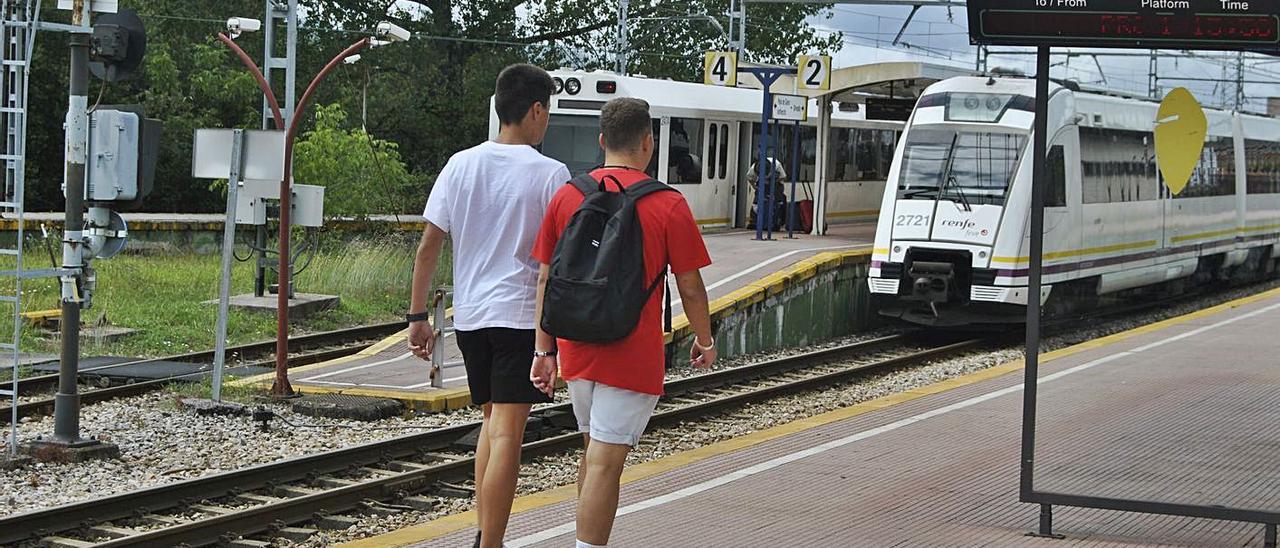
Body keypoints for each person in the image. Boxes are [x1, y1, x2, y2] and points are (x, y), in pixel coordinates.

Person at [529, 97, 718, 548]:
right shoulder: (668, 203)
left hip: (576, 345)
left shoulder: (569, 195)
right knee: (604, 463)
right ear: (648, 143)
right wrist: (705, 339)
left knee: (594, 454)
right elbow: (690, 287)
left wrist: (544, 350)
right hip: (631, 353)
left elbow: (545, 279)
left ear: (601, 141)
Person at [406, 63, 569, 548]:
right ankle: (491, 543)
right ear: (535, 110)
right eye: (548, 112)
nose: (547, 121)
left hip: (472, 318)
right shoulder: (550, 173)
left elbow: (429, 245)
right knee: (508, 437)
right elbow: (558, 259)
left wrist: (417, 317)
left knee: (491, 423)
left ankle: (484, 532)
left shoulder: (461, 164)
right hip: (520, 319)